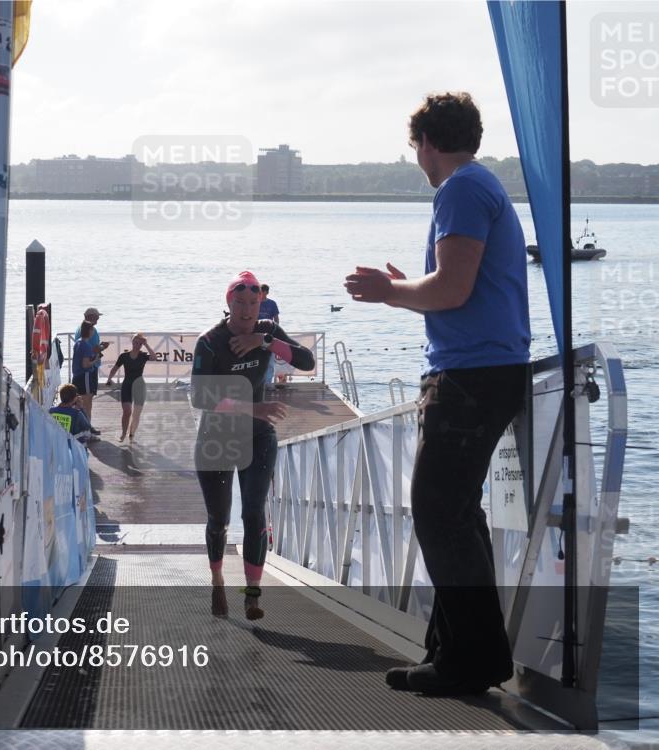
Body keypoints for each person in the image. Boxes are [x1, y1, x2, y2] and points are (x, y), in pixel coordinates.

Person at [344, 92, 530, 697]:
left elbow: (451, 289)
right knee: (455, 514)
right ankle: (455, 652)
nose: (417, 159)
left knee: (438, 512)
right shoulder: (479, 186)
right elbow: (456, 288)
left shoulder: (461, 189)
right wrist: (407, 288)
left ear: (428, 142)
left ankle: (472, 660)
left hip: (470, 378)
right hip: (483, 371)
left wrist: (387, 292)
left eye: (416, 147)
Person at [191, 271, 315, 620]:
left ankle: (252, 595)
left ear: (261, 303)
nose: (246, 310)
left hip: (258, 436)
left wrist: (265, 342)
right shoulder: (210, 341)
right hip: (215, 438)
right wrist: (252, 406)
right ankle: (217, 580)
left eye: (253, 303)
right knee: (218, 519)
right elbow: (200, 396)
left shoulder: (267, 332)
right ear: (228, 303)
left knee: (254, 513)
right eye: (239, 303)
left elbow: (306, 362)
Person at [105, 333, 157, 442]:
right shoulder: (124, 356)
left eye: (139, 343)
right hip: (127, 385)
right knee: (127, 411)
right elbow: (115, 368)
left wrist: (146, 344)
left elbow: (154, 357)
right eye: (135, 342)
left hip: (139, 386)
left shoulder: (143, 355)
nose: (136, 345)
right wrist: (109, 379)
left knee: (136, 414)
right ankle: (124, 433)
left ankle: (131, 434)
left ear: (141, 344)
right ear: (132, 342)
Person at [74, 307, 108, 432]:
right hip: (87, 372)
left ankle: (87, 425)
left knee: (86, 400)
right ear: (90, 317)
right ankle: (87, 428)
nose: (98, 318)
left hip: (85, 372)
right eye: (97, 316)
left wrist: (100, 348)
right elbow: (88, 354)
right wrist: (100, 350)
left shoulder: (82, 333)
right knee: (86, 400)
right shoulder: (86, 334)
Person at [258, 284, 280, 388]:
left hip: (269, 336)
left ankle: (268, 383)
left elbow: (276, 318)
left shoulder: (272, 304)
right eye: (259, 292)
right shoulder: (255, 303)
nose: (260, 294)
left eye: (262, 292)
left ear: (266, 292)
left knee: (270, 361)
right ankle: (258, 383)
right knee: (256, 360)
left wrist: (276, 331)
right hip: (256, 335)